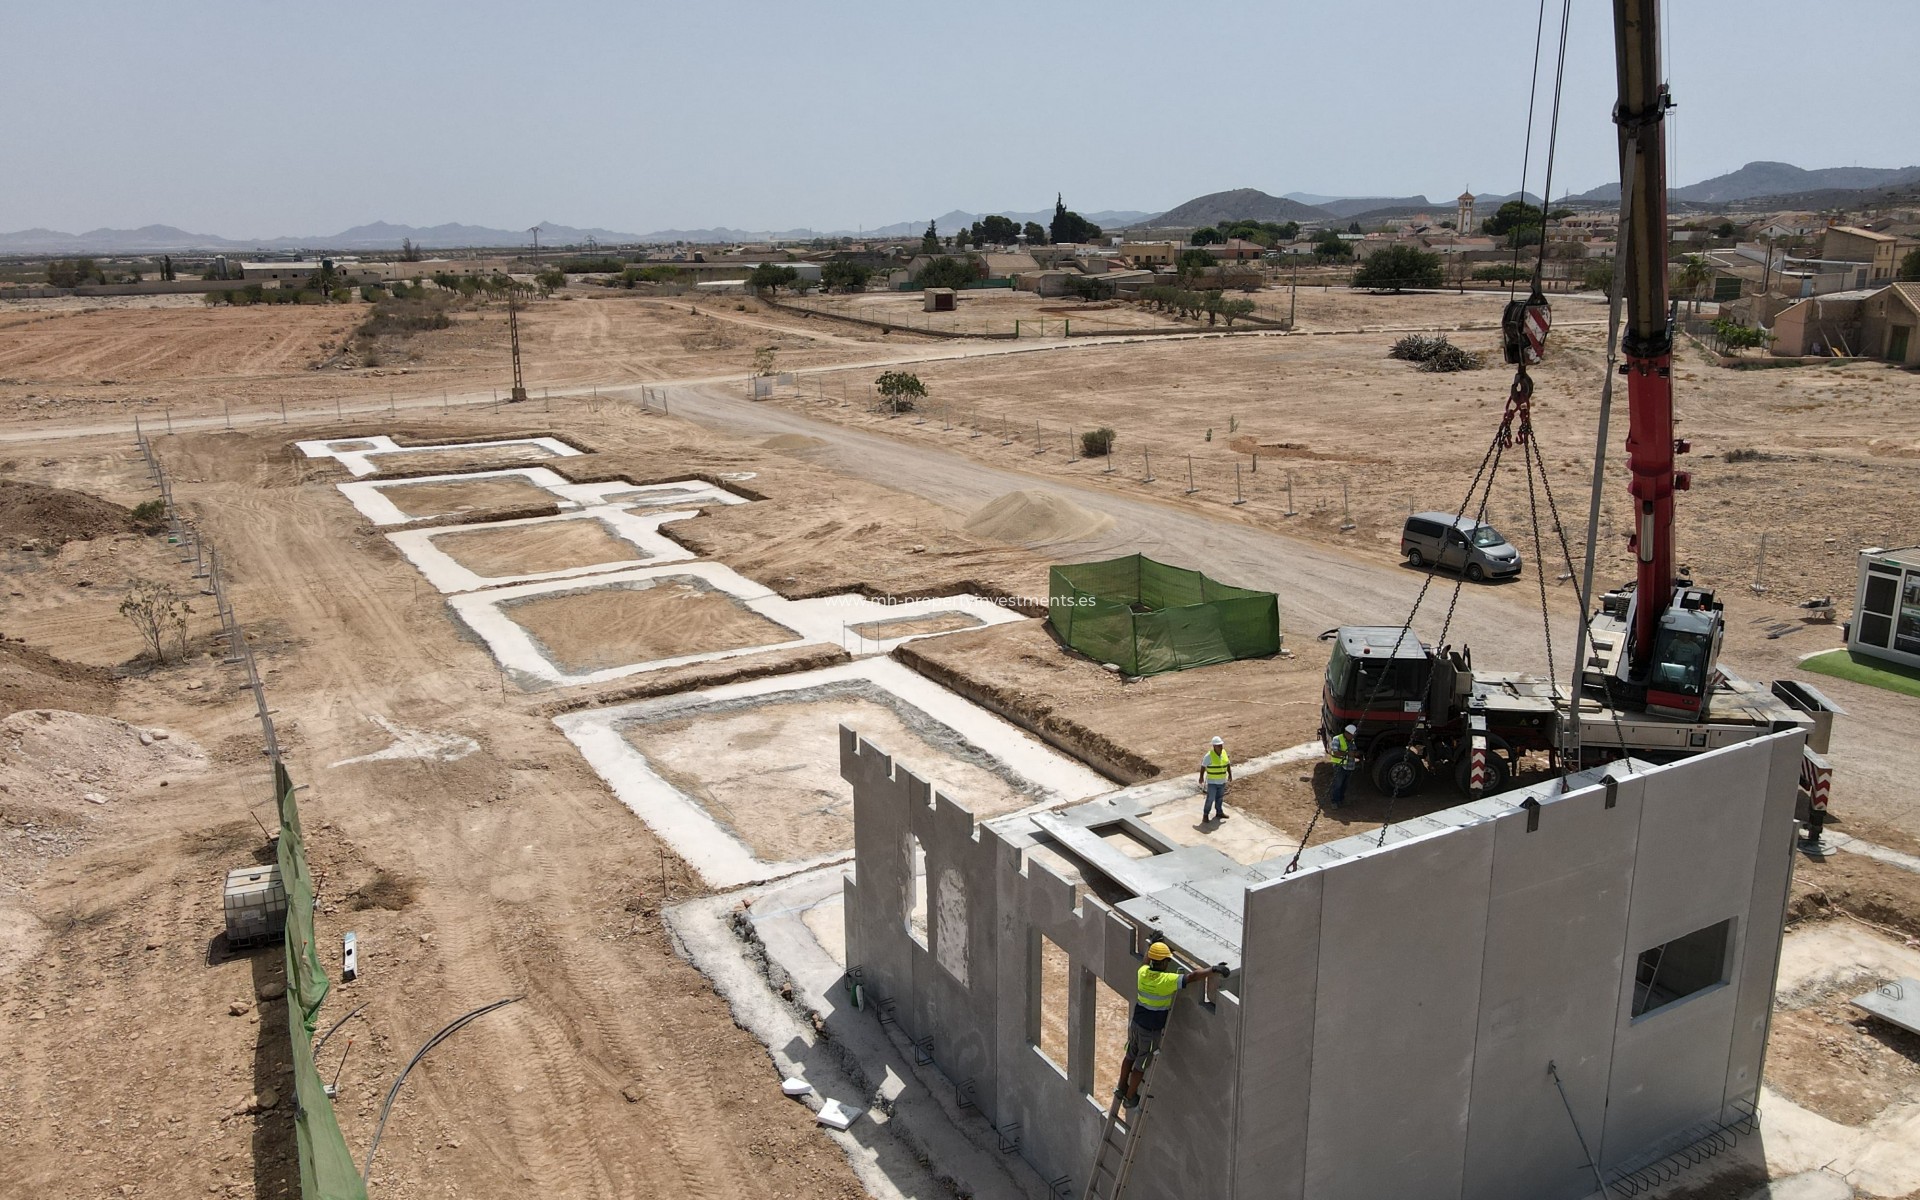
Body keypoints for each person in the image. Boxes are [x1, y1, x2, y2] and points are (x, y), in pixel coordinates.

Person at [1115, 942, 1229, 1109]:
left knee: (1129, 1056)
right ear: (1162, 962)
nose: (1168, 963)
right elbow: (1192, 977)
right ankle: (1130, 1097)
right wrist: (1213, 970)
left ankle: (1121, 1087)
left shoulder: (1142, 973)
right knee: (1141, 1065)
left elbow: (1145, 961)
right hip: (1150, 1031)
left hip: (1136, 1025)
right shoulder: (1166, 980)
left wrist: (1151, 946)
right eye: (1167, 960)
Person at [1198, 735, 1232, 822]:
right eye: (1218, 745)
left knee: (1220, 798)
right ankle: (1205, 815)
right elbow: (1203, 766)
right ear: (1214, 746)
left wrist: (1230, 774)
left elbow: (1227, 763)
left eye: (1221, 745)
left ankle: (1219, 812)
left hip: (1222, 781)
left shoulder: (1224, 753)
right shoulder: (1208, 756)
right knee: (1210, 799)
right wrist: (1201, 777)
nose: (1220, 747)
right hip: (1212, 782)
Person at [1328, 724, 1357, 807]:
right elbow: (1335, 752)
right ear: (1347, 733)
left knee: (1344, 785)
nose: (1353, 737)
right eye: (1352, 735)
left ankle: (1340, 800)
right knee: (1338, 784)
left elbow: (1354, 751)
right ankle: (1334, 801)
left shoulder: (1352, 741)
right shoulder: (1337, 739)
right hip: (1340, 766)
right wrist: (1348, 754)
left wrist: (1356, 754)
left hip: (1349, 767)